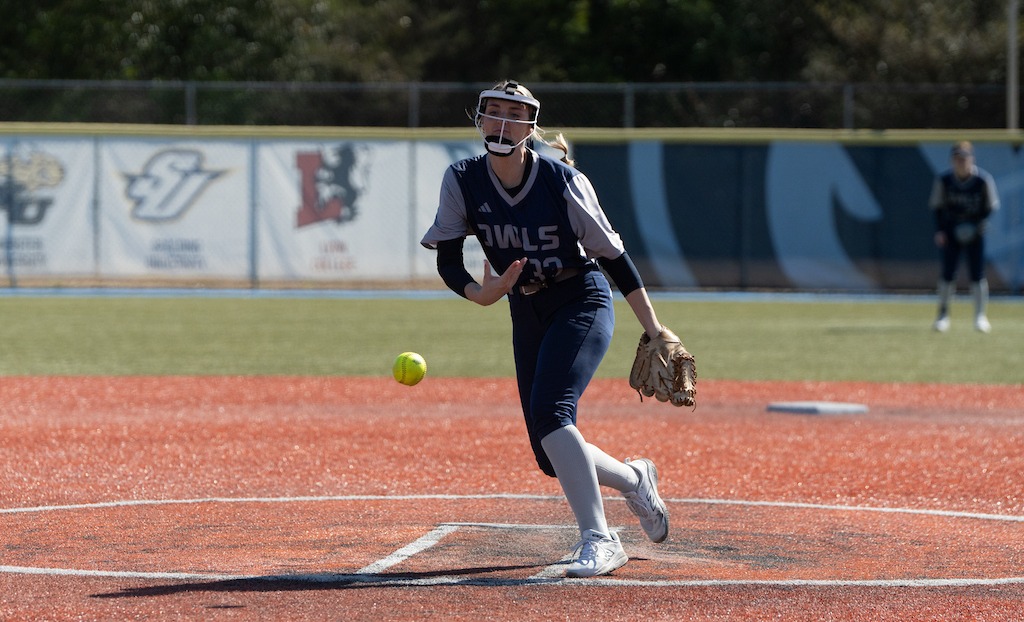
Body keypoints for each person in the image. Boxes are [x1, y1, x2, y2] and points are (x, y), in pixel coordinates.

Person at [421, 80, 681, 578]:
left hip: (580, 297)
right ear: (478, 118)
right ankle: (634, 479)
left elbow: (614, 257)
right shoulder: (462, 178)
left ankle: (599, 539)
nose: (501, 123)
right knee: (549, 452)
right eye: (493, 112)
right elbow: (449, 260)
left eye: (513, 114)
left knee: (552, 414)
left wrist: (654, 328)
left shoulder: (562, 180)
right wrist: (481, 294)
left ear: (530, 126)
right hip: (525, 308)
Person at [929, 141, 999, 333]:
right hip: (951, 230)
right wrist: (940, 230)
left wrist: (978, 224)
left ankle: (980, 316)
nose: (961, 162)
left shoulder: (982, 180)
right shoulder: (944, 180)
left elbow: (991, 206)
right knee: (948, 273)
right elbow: (937, 207)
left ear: (972, 159)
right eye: (957, 158)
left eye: (964, 158)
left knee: (977, 274)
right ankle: (943, 315)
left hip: (975, 230)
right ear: (952, 160)